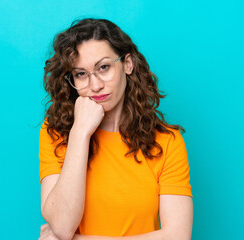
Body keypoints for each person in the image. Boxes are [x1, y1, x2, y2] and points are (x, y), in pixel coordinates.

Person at [38, 18, 193, 240]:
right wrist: (80, 133)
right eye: (81, 73)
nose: (95, 85)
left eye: (103, 67)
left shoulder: (167, 141)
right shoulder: (56, 133)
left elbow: (178, 236)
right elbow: (63, 225)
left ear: (127, 64)